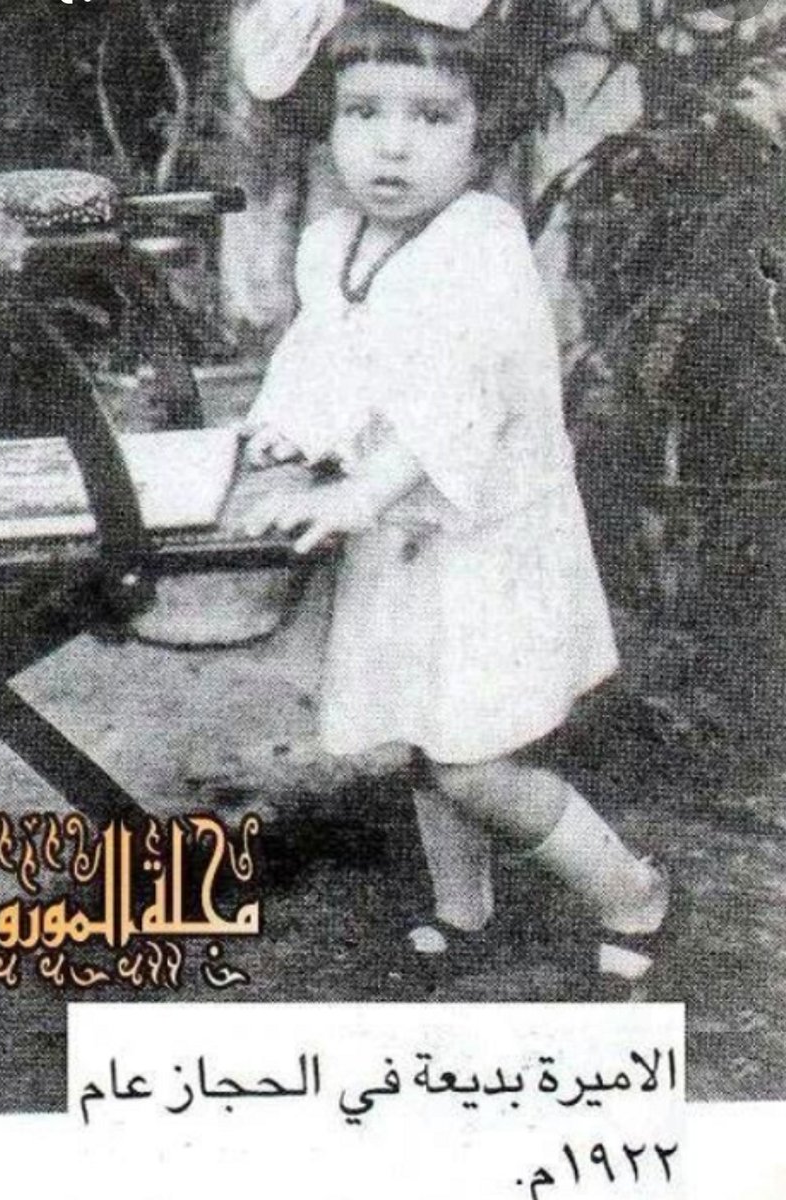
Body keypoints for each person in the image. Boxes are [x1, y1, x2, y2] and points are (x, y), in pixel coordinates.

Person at [240, 0, 668, 994]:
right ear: (327, 121)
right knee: (421, 728)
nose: (391, 145)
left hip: (487, 544)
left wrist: (357, 493)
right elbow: (325, 355)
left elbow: (460, 401)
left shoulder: (480, 243)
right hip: (405, 541)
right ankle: (461, 907)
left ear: (484, 129)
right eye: (363, 112)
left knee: (475, 757)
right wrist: (287, 429)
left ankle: (630, 889)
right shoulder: (335, 242)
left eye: (431, 117)